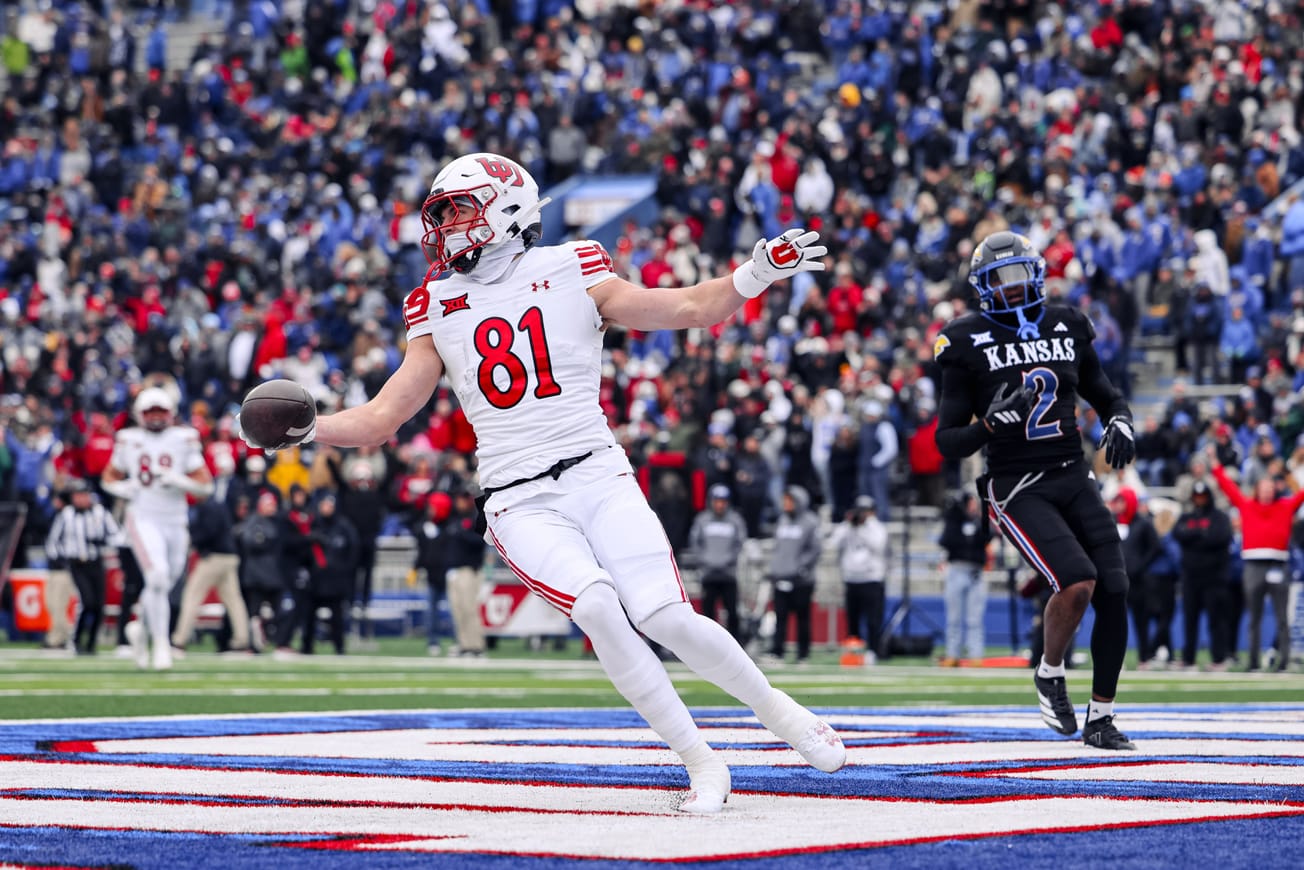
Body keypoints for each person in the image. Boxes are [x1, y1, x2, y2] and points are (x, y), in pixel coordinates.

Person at [239, 152, 844, 813]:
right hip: (515, 494)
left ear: (505, 209)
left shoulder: (571, 266)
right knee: (595, 608)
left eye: (456, 210)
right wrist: (310, 429)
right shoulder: (434, 304)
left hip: (595, 469)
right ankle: (701, 763)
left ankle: (781, 713)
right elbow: (384, 416)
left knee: (666, 614)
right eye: (438, 214)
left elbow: (690, 307)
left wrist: (753, 275)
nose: (443, 227)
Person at [933, 231, 1137, 750]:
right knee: (1077, 580)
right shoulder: (964, 340)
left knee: (1114, 587)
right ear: (982, 286)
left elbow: (1106, 395)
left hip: (1072, 471)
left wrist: (1120, 421)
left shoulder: (1066, 324)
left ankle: (1102, 718)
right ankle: (1050, 671)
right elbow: (947, 441)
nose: (1015, 287)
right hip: (1018, 483)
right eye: (1002, 279)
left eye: (1022, 274)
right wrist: (987, 426)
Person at [101, 388, 214, 670]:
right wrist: (123, 488)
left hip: (176, 518)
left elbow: (205, 485)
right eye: (149, 411)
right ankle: (161, 645)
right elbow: (108, 477)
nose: (154, 417)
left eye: (159, 411)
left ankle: (140, 629)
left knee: (165, 581)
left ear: (170, 413)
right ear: (140, 414)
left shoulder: (183, 438)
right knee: (158, 576)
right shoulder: (128, 439)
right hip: (143, 515)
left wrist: (178, 480)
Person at [1209, 451, 1304, 671]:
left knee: (1282, 618)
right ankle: (1252, 662)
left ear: (1276, 490)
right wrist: (1215, 466)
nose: (1267, 492)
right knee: (1254, 618)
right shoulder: (1247, 505)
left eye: (1271, 488)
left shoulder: (1285, 506)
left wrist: (1291, 472)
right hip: (1253, 565)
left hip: (1278, 564)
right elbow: (1228, 488)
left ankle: (1284, 661)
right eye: (1264, 488)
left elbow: (1300, 495)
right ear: (1257, 490)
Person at [44, 480, 121, 655]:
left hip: (96, 562)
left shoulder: (100, 513)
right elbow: (53, 542)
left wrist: (103, 541)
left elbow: (116, 535)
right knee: (87, 602)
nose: (81, 499)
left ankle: (91, 643)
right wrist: (62, 558)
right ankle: (77, 640)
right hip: (76, 563)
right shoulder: (66, 514)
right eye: (77, 496)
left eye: (83, 495)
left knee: (99, 605)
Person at [172, 494, 251, 654]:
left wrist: (193, 539)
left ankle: (179, 640)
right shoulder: (217, 505)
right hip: (229, 556)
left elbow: (209, 532)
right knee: (234, 600)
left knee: (192, 595)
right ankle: (242, 640)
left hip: (215, 557)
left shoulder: (208, 507)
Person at [1171, 481, 1234, 669]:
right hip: (1190, 577)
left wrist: (1193, 536)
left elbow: (1220, 538)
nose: (1200, 500)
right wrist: (1201, 534)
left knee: (1216, 619)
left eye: (1203, 496)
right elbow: (1177, 534)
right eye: (1196, 496)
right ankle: (1188, 658)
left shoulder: (1219, 517)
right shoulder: (1186, 516)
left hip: (1214, 578)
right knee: (1190, 619)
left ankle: (1218, 658)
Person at [764, 485, 822, 664]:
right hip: (781, 577)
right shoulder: (782, 520)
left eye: (789, 500)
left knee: (802, 618)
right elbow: (779, 549)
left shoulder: (810, 522)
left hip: (801, 580)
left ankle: (802, 654)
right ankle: (777, 652)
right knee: (780, 617)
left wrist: (800, 568)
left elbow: (815, 549)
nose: (786, 504)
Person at [828, 494, 888, 662]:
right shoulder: (847, 527)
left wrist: (862, 528)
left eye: (866, 511)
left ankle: (873, 651)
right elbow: (833, 543)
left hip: (872, 579)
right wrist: (849, 525)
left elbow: (878, 547)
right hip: (852, 578)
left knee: (873, 620)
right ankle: (853, 652)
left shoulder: (876, 528)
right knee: (852, 620)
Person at [1110, 488, 1165, 669]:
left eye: (1122, 501)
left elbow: (1155, 547)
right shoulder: (1113, 521)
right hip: (1118, 580)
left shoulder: (1143, 523)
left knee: (1141, 621)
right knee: (1116, 621)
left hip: (1138, 582)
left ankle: (1144, 657)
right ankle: (1116, 659)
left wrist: (1140, 566)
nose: (1119, 505)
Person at [937, 491, 993, 665]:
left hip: (975, 572)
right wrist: (956, 513)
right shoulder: (953, 522)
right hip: (956, 570)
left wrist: (979, 518)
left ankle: (975, 654)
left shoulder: (978, 522)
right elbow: (947, 540)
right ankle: (952, 654)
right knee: (954, 617)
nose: (973, 507)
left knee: (974, 618)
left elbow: (988, 536)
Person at [687, 484, 748, 642]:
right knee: (708, 614)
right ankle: (709, 644)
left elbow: (739, 543)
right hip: (708, 574)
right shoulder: (702, 520)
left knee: (732, 612)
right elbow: (695, 543)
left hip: (728, 574)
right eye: (717, 500)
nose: (720, 504)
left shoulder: (735, 520)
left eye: (723, 501)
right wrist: (706, 560)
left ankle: (737, 644)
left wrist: (727, 560)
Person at [302, 492, 358, 655]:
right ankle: (307, 646)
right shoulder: (313, 525)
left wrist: (345, 570)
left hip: (336, 580)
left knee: (337, 617)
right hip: (316, 579)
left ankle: (339, 647)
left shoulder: (344, 526)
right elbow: (303, 550)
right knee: (310, 615)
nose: (327, 508)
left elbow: (353, 550)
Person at [444, 485, 488, 657]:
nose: (459, 502)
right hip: (454, 570)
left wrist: (463, 533)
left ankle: (476, 646)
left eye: (463, 499)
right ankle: (464, 644)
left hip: (468, 570)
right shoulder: (455, 520)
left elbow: (480, 542)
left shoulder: (474, 518)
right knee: (458, 610)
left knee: (470, 609)